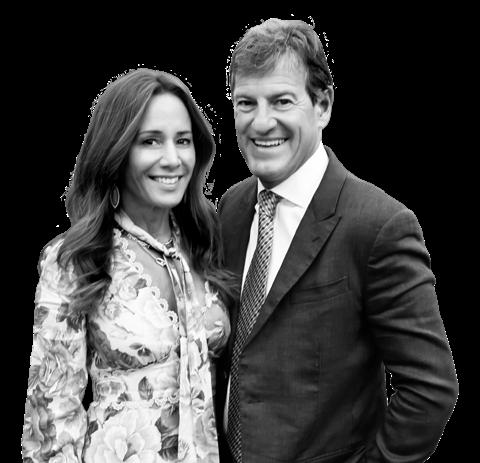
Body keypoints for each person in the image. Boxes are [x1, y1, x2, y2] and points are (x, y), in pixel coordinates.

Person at [217, 18, 458, 463]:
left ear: (322, 105)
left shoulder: (378, 226)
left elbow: (430, 389)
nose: (261, 122)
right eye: (246, 103)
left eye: (281, 101)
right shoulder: (231, 208)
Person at [22, 68, 232, 463]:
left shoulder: (208, 240)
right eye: (150, 141)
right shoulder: (75, 259)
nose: (172, 159)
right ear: (116, 151)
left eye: (183, 141)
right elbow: (51, 419)